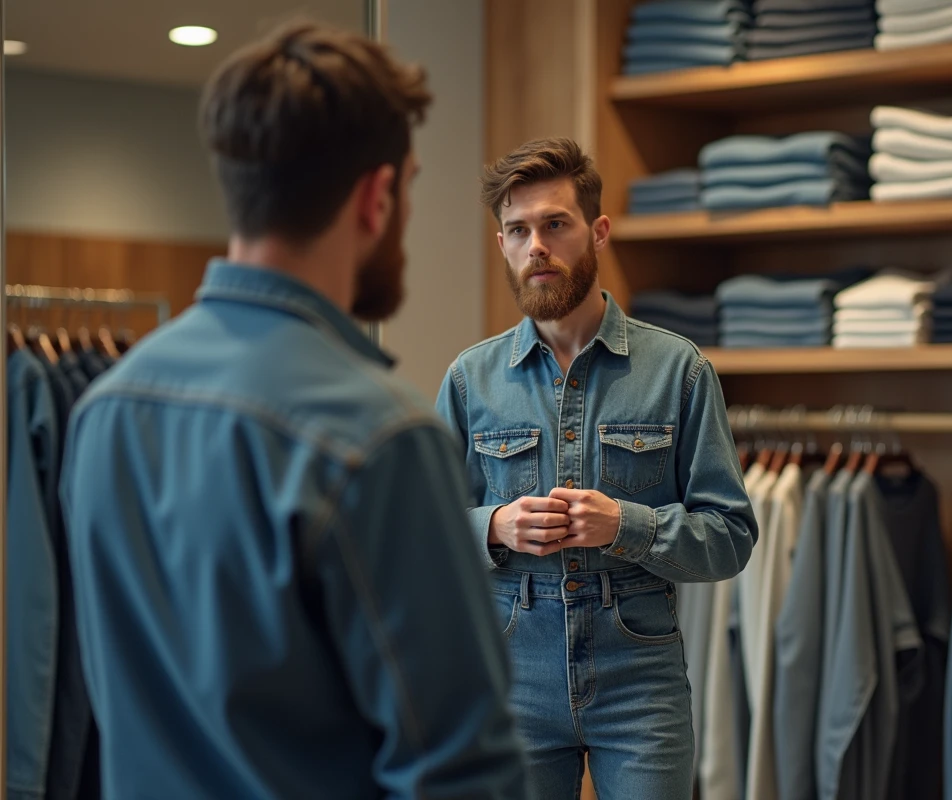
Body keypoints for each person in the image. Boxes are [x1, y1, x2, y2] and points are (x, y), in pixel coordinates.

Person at [58, 22, 529, 800]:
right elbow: (460, 773)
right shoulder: (379, 437)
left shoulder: (105, 410)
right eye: (411, 186)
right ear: (377, 197)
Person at [436, 137, 758, 799]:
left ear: (598, 231)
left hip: (640, 682)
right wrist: (493, 526)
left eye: (555, 224)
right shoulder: (470, 380)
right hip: (511, 676)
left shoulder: (678, 371)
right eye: (518, 230)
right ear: (502, 244)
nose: (537, 246)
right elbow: (419, 534)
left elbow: (731, 538)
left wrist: (626, 525)